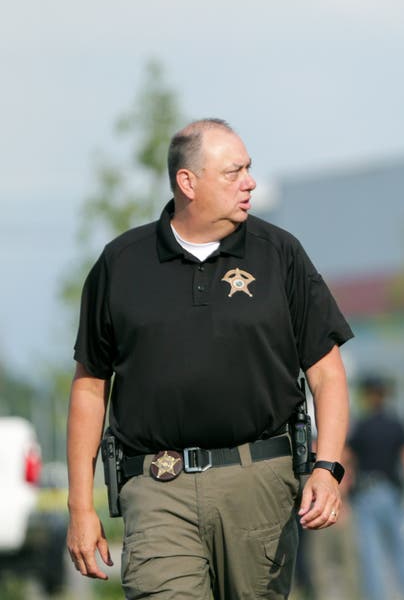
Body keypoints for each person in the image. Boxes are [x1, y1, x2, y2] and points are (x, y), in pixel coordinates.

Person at [66, 118, 353, 599]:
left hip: (259, 483)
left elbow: (327, 375)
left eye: (249, 168)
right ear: (188, 182)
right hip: (158, 488)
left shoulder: (280, 254)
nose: (250, 182)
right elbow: (90, 387)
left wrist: (327, 468)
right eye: (233, 171)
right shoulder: (121, 264)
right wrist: (79, 505)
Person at [345, 374, 404, 600]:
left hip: (366, 494)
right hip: (391, 493)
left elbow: (346, 460)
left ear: (366, 395)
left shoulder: (360, 427)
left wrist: (341, 493)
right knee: (400, 549)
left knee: (371, 554)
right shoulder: (397, 425)